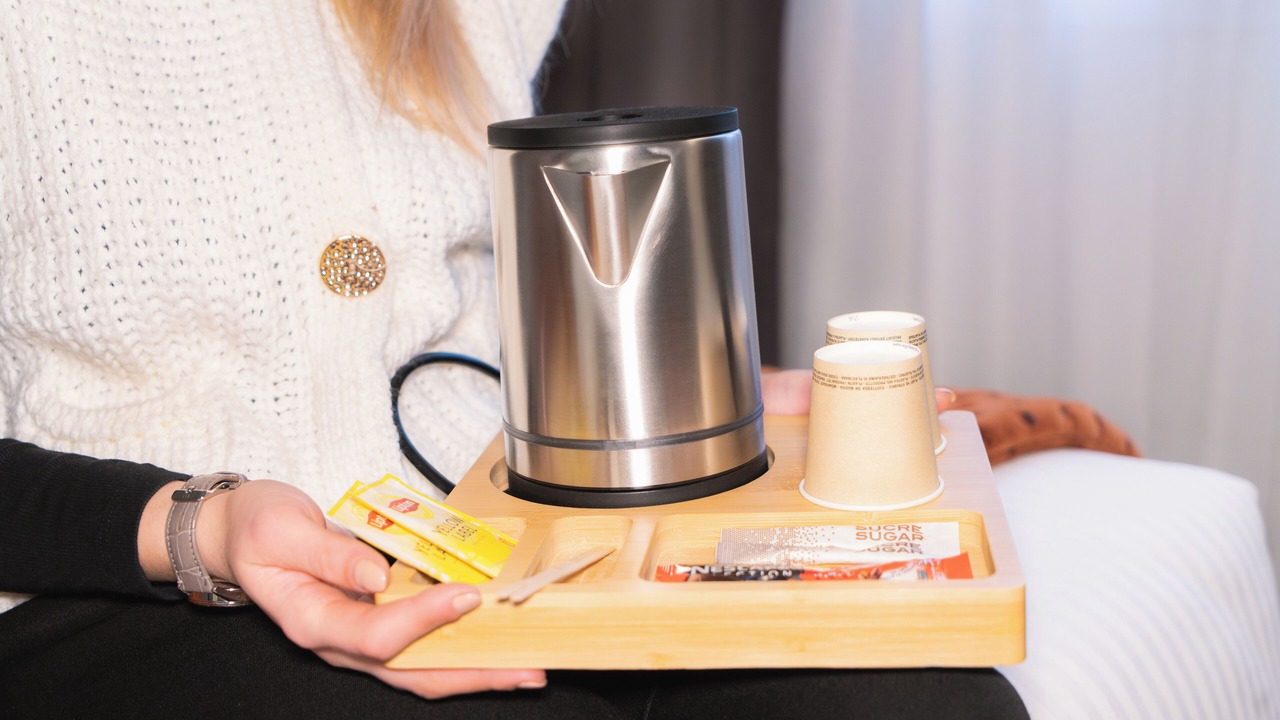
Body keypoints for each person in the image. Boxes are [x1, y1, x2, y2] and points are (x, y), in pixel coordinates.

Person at [0, 1, 1028, 717]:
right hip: (128, 570)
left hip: (503, 531)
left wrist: (668, 399)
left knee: (925, 701)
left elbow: (469, 295)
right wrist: (202, 526)